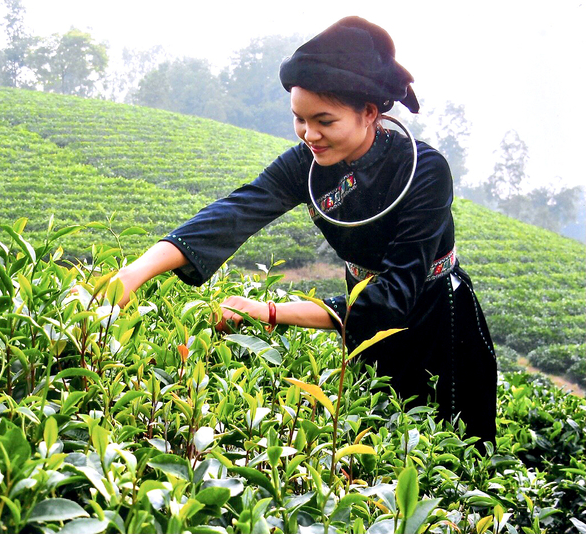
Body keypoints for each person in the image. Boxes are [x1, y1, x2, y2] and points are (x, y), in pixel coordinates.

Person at [116, 16, 497, 445]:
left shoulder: (424, 171)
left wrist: (271, 311)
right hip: (360, 319)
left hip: (437, 323)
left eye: (325, 121)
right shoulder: (307, 165)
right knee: (374, 444)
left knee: (448, 452)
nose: (308, 135)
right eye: (299, 119)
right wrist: (128, 277)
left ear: (369, 112)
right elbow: (232, 213)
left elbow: (393, 297)